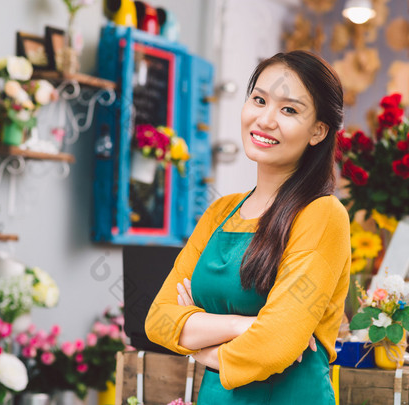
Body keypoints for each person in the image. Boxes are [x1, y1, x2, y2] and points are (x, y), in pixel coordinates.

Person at [145, 50, 350, 404]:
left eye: (289, 110)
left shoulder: (322, 215)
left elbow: (275, 344)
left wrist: (200, 346)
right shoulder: (220, 211)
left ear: (318, 131)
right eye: (259, 100)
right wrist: (244, 326)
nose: (266, 119)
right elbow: (159, 320)